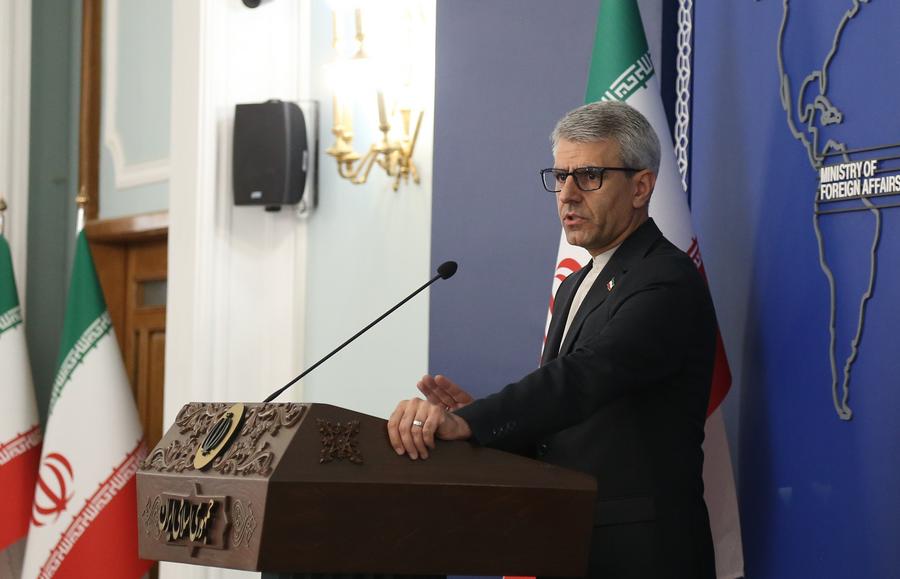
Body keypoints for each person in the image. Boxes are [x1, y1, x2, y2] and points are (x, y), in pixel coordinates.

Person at [387, 101, 717, 579]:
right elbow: (569, 429)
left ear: (641, 187)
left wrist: (471, 423)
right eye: (560, 177)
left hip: (641, 554)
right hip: (570, 542)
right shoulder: (575, 285)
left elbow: (588, 376)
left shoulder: (666, 278)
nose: (567, 194)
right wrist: (493, 430)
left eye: (589, 176)